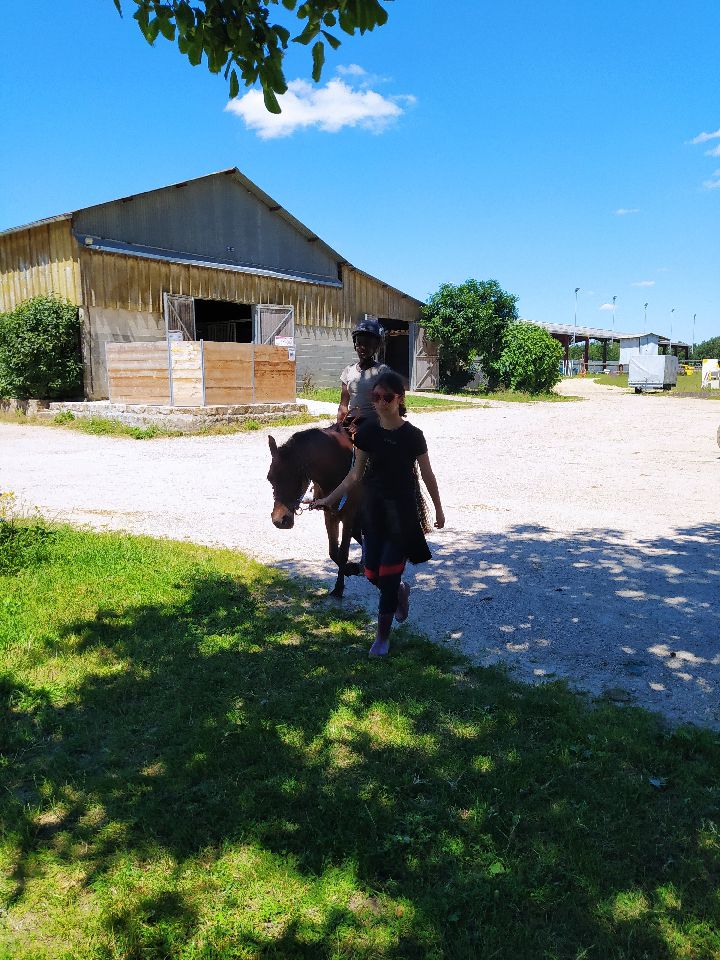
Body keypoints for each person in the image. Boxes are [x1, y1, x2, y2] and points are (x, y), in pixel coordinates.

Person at [312, 370, 445, 657]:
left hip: (402, 512)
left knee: (388, 572)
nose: (382, 402)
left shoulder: (413, 436)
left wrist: (438, 508)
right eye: (376, 397)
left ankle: (382, 637)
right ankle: (399, 591)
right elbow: (353, 476)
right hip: (373, 511)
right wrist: (328, 499)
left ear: (400, 399)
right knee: (372, 571)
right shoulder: (368, 433)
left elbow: (428, 476)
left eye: (387, 397)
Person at [336, 318, 391, 436]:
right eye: (359, 343)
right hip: (352, 423)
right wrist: (339, 427)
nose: (362, 348)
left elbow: (388, 404)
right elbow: (343, 404)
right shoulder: (348, 371)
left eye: (368, 344)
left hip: (374, 424)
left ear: (376, 346)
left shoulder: (382, 371)